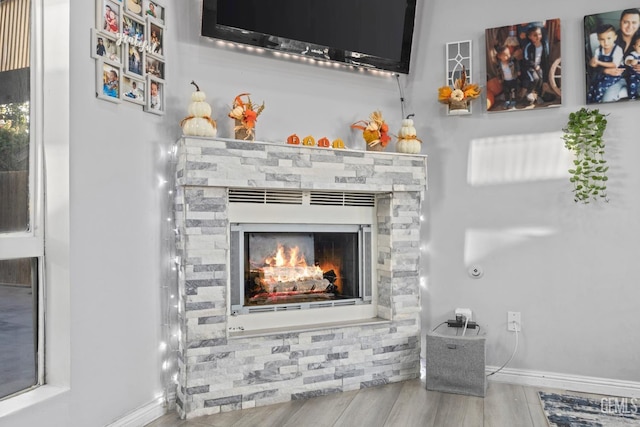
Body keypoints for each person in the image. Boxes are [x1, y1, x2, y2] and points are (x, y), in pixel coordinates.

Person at [601, 9, 640, 102]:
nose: (630, 26)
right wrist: (606, 70)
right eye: (626, 22)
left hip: (637, 77)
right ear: (620, 22)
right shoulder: (610, 38)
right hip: (616, 79)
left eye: (634, 22)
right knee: (606, 100)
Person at [587, 24, 625, 103]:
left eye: (609, 38)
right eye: (602, 39)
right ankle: (591, 103)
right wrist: (593, 63)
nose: (606, 42)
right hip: (602, 74)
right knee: (593, 86)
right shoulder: (599, 50)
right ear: (598, 39)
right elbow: (594, 63)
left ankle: (598, 103)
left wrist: (599, 62)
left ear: (615, 37)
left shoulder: (617, 50)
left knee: (600, 87)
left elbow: (614, 65)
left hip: (614, 75)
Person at [521, 25, 550, 104]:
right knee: (535, 78)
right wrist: (534, 65)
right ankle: (529, 92)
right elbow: (526, 58)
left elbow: (545, 58)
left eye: (539, 34)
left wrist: (541, 67)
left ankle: (539, 96)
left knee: (541, 79)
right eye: (535, 35)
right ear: (530, 37)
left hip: (539, 67)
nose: (538, 37)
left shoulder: (543, 45)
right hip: (529, 67)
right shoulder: (529, 46)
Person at [494, 44, 520, 109]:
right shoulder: (499, 65)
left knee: (513, 90)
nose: (508, 56)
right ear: (499, 56)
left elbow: (517, 65)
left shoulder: (512, 61)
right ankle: (507, 101)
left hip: (513, 79)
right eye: (505, 55)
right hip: (505, 80)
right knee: (506, 91)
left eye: (509, 54)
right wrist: (500, 79)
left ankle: (513, 101)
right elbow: (498, 73)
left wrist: (518, 71)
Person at [624, 34, 640, 99]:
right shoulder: (633, 54)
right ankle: (632, 98)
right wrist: (631, 61)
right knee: (632, 85)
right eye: (639, 46)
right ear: (634, 46)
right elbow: (626, 60)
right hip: (634, 76)